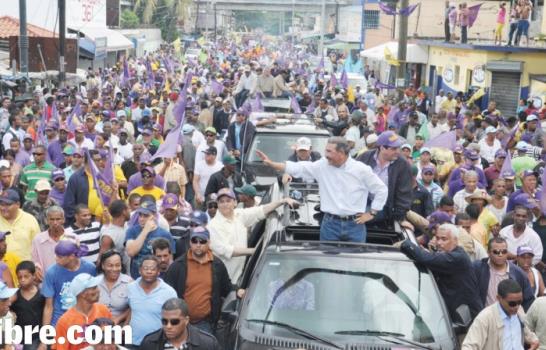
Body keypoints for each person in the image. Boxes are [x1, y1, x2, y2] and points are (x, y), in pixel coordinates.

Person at [209, 188, 296, 281]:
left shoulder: (238, 215)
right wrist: (255, 251)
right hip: (224, 280)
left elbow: (261, 210)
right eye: (221, 202)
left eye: (228, 201)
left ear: (235, 203)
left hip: (240, 276)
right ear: (217, 204)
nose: (225, 204)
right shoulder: (212, 226)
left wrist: (282, 201)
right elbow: (226, 250)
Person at [400, 223, 483, 319]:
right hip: (448, 317)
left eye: (444, 239)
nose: (439, 243)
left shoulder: (458, 258)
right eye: (437, 238)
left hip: (467, 321)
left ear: (455, 241)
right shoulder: (446, 255)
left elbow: (424, 258)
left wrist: (405, 243)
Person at [164, 227, 234, 333]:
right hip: (179, 323)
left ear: (209, 242)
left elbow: (226, 287)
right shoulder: (178, 265)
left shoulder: (217, 265)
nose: (198, 244)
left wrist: (238, 290)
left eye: (202, 241)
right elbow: (165, 292)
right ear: (190, 242)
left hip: (205, 324)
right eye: (194, 241)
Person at [462, 279, 539, 350]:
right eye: (512, 303)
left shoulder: (519, 311)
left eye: (519, 302)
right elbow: (468, 346)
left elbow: (527, 333)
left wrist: (534, 341)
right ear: (499, 298)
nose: (516, 306)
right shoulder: (485, 318)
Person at [357, 131, 413, 222]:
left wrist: (399, 217)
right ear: (382, 148)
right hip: (361, 202)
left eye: (398, 148)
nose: (398, 152)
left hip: (385, 207)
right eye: (394, 149)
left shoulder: (403, 165)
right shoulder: (365, 157)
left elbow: (405, 193)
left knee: (356, 216)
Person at [41, 240, 97, 326]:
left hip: (84, 319)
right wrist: (45, 333)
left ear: (71, 256)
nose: (56, 259)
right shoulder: (51, 272)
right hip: (59, 320)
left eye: (60, 257)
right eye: (56, 255)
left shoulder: (90, 268)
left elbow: (94, 298)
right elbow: (48, 306)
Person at [473, 237, 535, 310]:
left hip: (510, 317)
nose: (500, 254)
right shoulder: (478, 268)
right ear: (488, 252)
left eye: (504, 251)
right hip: (485, 317)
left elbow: (528, 300)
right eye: (496, 252)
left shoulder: (518, 273)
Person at [127, 255, 177, 346]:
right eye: (146, 268)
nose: (149, 271)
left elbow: (175, 318)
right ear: (139, 270)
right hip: (132, 342)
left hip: (157, 343)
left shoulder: (169, 292)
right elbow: (129, 310)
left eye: (153, 269)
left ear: (158, 272)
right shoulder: (130, 288)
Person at [54, 273, 112, 350]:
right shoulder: (64, 322)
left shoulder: (104, 310)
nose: (98, 290)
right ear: (83, 294)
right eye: (94, 288)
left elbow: (111, 341)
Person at [139, 298, 221, 350]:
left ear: (186, 320)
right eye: (164, 321)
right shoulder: (150, 342)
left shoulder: (207, 344)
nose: (168, 326)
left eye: (174, 322)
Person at [126, 200, 175, 279]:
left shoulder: (165, 234)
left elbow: (170, 260)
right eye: (140, 215)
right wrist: (145, 231)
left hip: (159, 279)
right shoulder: (132, 231)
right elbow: (131, 252)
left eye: (145, 216)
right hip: (137, 278)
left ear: (154, 216)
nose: (141, 219)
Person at [11, 261, 44, 350]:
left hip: (36, 336)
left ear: (33, 276)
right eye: (20, 277)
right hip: (19, 337)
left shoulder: (42, 295)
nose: (22, 279)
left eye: (26, 276)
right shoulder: (14, 296)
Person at [31, 206, 71, 280]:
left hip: (68, 280)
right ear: (47, 221)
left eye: (58, 219)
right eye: (52, 219)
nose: (55, 223)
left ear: (63, 220)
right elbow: (34, 260)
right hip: (46, 281)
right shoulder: (38, 239)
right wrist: (36, 267)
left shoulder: (71, 238)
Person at [0, 189, 40, 261]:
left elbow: (38, 247)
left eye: (8, 205)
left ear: (18, 204)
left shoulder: (30, 220)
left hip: (25, 268)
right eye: (2, 204)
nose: (3, 208)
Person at [97, 249, 132, 325]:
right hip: (98, 323)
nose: (114, 269)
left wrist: (119, 319)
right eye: (110, 265)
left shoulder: (129, 283)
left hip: (121, 323)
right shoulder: (95, 283)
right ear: (103, 266)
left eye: (117, 265)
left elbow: (135, 306)